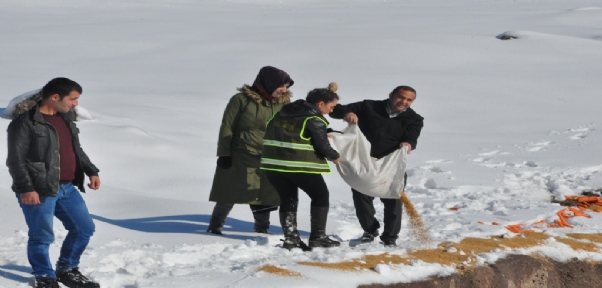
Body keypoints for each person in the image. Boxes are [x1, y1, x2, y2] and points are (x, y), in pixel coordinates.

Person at [6, 78, 101, 288]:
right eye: (73, 99)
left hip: (67, 187)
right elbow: (15, 160)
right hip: (38, 189)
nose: (75, 104)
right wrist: (26, 188)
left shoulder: (65, 118)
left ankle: (67, 269)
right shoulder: (24, 123)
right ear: (55, 97)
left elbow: (75, 149)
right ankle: (44, 277)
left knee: (84, 228)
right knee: (41, 236)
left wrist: (91, 170)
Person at [329, 85, 424, 247]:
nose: (404, 102)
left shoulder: (415, 119)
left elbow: (412, 137)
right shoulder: (368, 106)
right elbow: (334, 110)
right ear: (391, 95)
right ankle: (370, 230)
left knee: (393, 200)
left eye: (409, 100)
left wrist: (408, 144)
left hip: (390, 165)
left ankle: (390, 238)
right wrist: (347, 114)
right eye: (401, 97)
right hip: (363, 162)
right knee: (361, 196)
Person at [207, 66, 293, 235]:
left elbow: (288, 129)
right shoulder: (241, 100)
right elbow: (227, 127)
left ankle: (262, 230)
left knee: (264, 193)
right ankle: (214, 228)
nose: (284, 90)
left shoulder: (284, 104)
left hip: (268, 155)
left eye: (287, 87)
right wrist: (224, 153)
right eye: (281, 86)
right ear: (269, 82)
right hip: (240, 154)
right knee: (229, 192)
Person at [261, 83, 341, 251]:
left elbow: (292, 132)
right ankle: (318, 237)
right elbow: (322, 146)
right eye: (331, 106)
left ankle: (291, 238)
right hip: (299, 166)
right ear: (320, 104)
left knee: (288, 198)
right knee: (320, 195)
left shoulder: (281, 114)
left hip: (273, 166)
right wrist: (335, 156)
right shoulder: (314, 119)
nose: (331, 111)